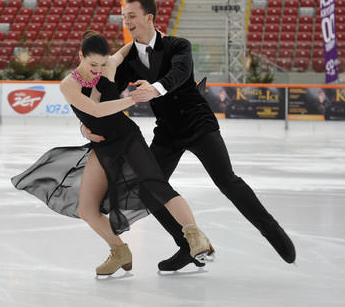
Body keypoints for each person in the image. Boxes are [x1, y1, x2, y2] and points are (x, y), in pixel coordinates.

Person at [81, 0, 295, 271]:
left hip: (197, 123)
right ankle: (187, 246)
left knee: (226, 180)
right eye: (124, 17)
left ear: (149, 18)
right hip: (168, 131)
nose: (127, 21)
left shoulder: (177, 45)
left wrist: (154, 89)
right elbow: (107, 95)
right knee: (148, 189)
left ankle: (271, 229)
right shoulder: (129, 57)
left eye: (131, 16)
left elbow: (180, 72)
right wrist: (87, 122)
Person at [12, 31, 214, 276]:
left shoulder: (109, 66)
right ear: (80, 57)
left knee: (157, 187)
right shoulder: (69, 84)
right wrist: (126, 103)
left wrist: (155, 35)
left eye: (103, 63)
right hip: (103, 146)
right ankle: (119, 251)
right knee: (87, 209)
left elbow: (130, 48)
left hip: (128, 139)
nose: (98, 69)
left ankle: (195, 236)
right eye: (92, 64)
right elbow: (95, 111)